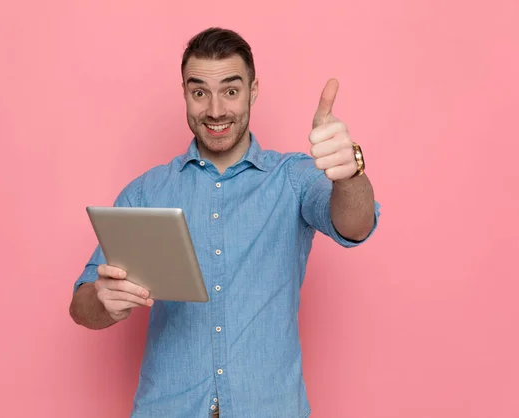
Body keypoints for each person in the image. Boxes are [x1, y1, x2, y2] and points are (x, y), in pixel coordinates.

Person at [69, 26, 381, 418]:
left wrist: (348, 173)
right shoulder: (146, 192)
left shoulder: (293, 177)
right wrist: (102, 300)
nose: (215, 110)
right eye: (200, 92)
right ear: (184, 93)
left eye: (231, 91)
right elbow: (82, 304)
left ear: (252, 90)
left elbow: (355, 225)